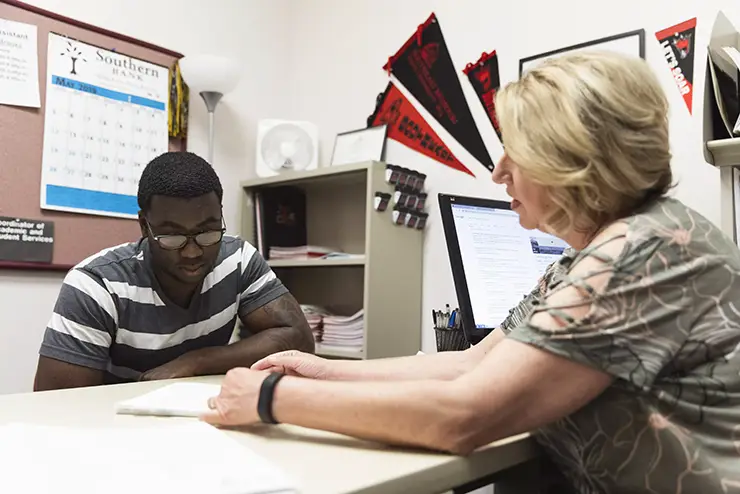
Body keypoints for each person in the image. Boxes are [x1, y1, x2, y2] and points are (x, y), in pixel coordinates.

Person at [202, 52, 740, 494]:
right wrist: (319, 370)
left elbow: (465, 415)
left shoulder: (641, 251)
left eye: (517, 150)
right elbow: (471, 363)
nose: (498, 170)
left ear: (574, 160)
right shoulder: (591, 255)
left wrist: (273, 399)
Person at [34, 151, 314, 390]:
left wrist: (196, 361)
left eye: (207, 232)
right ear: (144, 226)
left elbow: (299, 340)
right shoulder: (96, 286)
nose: (192, 252)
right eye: (172, 237)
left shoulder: (237, 260)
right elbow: (56, 407)